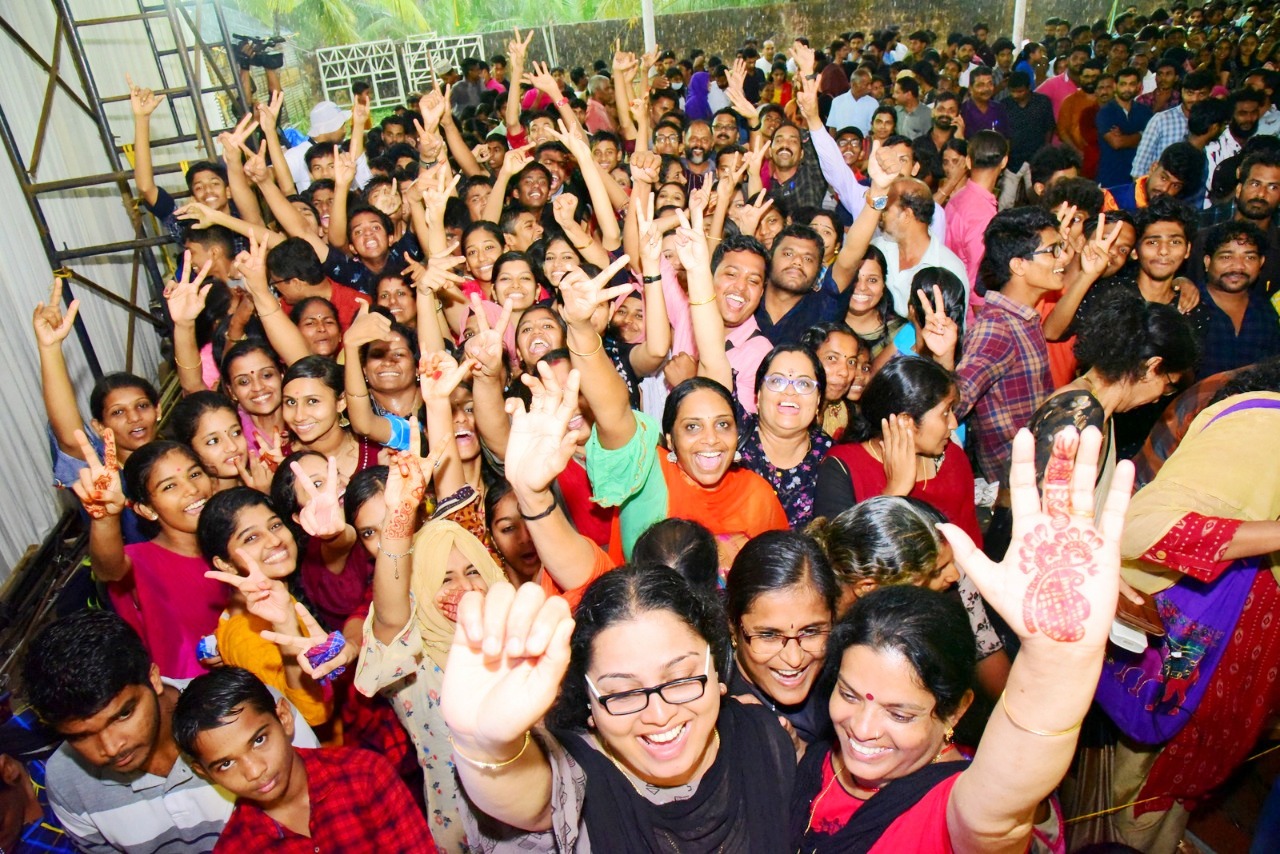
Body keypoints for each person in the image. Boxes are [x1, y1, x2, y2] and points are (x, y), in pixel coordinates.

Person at [793, 425, 1131, 852]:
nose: (862, 727)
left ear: (952, 713)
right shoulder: (819, 749)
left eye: (900, 714)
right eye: (849, 693)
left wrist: (1056, 661)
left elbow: (999, 811)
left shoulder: (950, 809)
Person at [440, 565, 798, 850]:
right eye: (623, 694)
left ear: (716, 667)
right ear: (590, 705)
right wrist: (484, 745)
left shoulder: (762, 737)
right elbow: (534, 803)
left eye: (680, 679)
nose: (658, 715)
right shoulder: (581, 771)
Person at [1111, 389, 1280, 851]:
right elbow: (1145, 526)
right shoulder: (1265, 430)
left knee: (1184, 772)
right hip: (1197, 637)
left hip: (1241, 652)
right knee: (1153, 755)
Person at [19, 611, 319, 854]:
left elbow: (331, 808)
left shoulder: (248, 715)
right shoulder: (67, 782)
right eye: (81, 735)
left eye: (123, 714)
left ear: (153, 678)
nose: (111, 747)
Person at [172, 667, 436, 852]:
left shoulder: (365, 775)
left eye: (259, 740)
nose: (254, 771)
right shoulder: (238, 847)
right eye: (226, 764)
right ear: (203, 772)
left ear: (284, 719)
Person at [1029, 290, 1199, 511]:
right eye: (1168, 385)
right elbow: (1048, 512)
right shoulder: (1079, 411)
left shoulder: (1098, 410)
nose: (1159, 399)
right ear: (1151, 367)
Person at [814, 355, 981, 546]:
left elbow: (972, 544)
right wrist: (895, 490)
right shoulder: (841, 467)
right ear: (905, 421)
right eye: (945, 413)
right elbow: (845, 558)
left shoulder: (952, 457)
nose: (953, 423)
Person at [726, 531, 839, 746]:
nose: (794, 659)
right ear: (732, 627)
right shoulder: (721, 715)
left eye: (811, 632)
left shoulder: (850, 683)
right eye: (769, 635)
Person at [734, 345, 834, 528]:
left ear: (818, 400)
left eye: (804, 384)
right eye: (776, 381)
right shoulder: (731, 433)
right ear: (758, 395)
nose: (790, 392)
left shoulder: (831, 456)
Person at [1196, 220, 1280, 376]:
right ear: (1208, 262)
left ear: (1261, 263)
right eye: (1227, 257)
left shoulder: (1266, 313)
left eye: (1249, 258)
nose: (1238, 266)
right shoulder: (1188, 306)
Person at [1096, 67, 1155, 188]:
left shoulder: (1145, 112)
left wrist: (1125, 137)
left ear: (1139, 86)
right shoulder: (1106, 112)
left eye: (1132, 84)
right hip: (1111, 176)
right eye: (1123, 84)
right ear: (1115, 85)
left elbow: (1152, 143)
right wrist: (1142, 135)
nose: (1127, 88)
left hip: (1139, 177)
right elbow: (1117, 143)